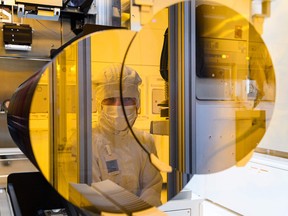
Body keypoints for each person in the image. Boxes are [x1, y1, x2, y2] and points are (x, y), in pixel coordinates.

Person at [92, 64, 163, 207]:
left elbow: (152, 187)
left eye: (126, 100)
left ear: (137, 103)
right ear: (100, 103)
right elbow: (92, 196)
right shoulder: (87, 143)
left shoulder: (144, 141)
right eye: (111, 100)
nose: (118, 107)